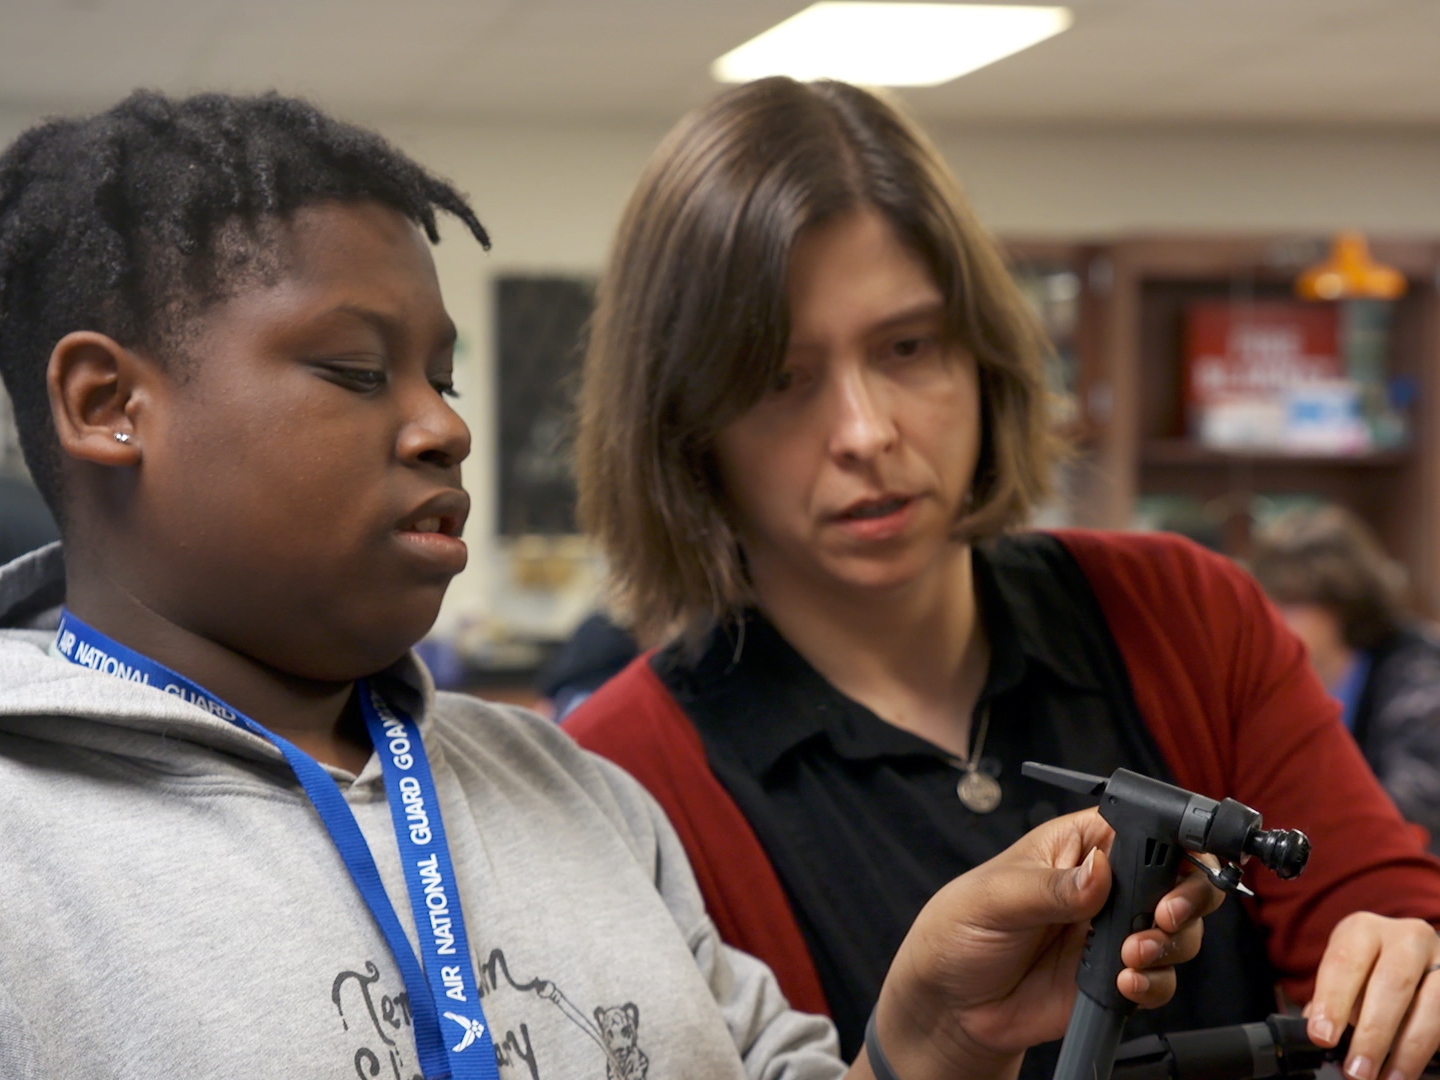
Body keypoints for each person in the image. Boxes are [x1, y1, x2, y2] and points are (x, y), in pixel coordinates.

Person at [0, 89, 1217, 1080]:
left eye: (442, 375)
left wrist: (931, 1042)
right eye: (355, 371)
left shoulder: (577, 792)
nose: (442, 428)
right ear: (111, 406)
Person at [563, 76, 1440, 1080]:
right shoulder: (621, 776)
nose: (867, 432)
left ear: (983, 354)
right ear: (684, 424)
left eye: (908, 347)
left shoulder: (1185, 611)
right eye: (780, 378)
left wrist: (1405, 967)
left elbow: (1380, 911)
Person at [1251, 505, 1440, 851]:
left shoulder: (1421, 670)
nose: (1274, 619)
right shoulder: (1283, 678)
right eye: (1269, 602)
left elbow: (1415, 803)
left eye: (1291, 602)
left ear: (1342, 601)